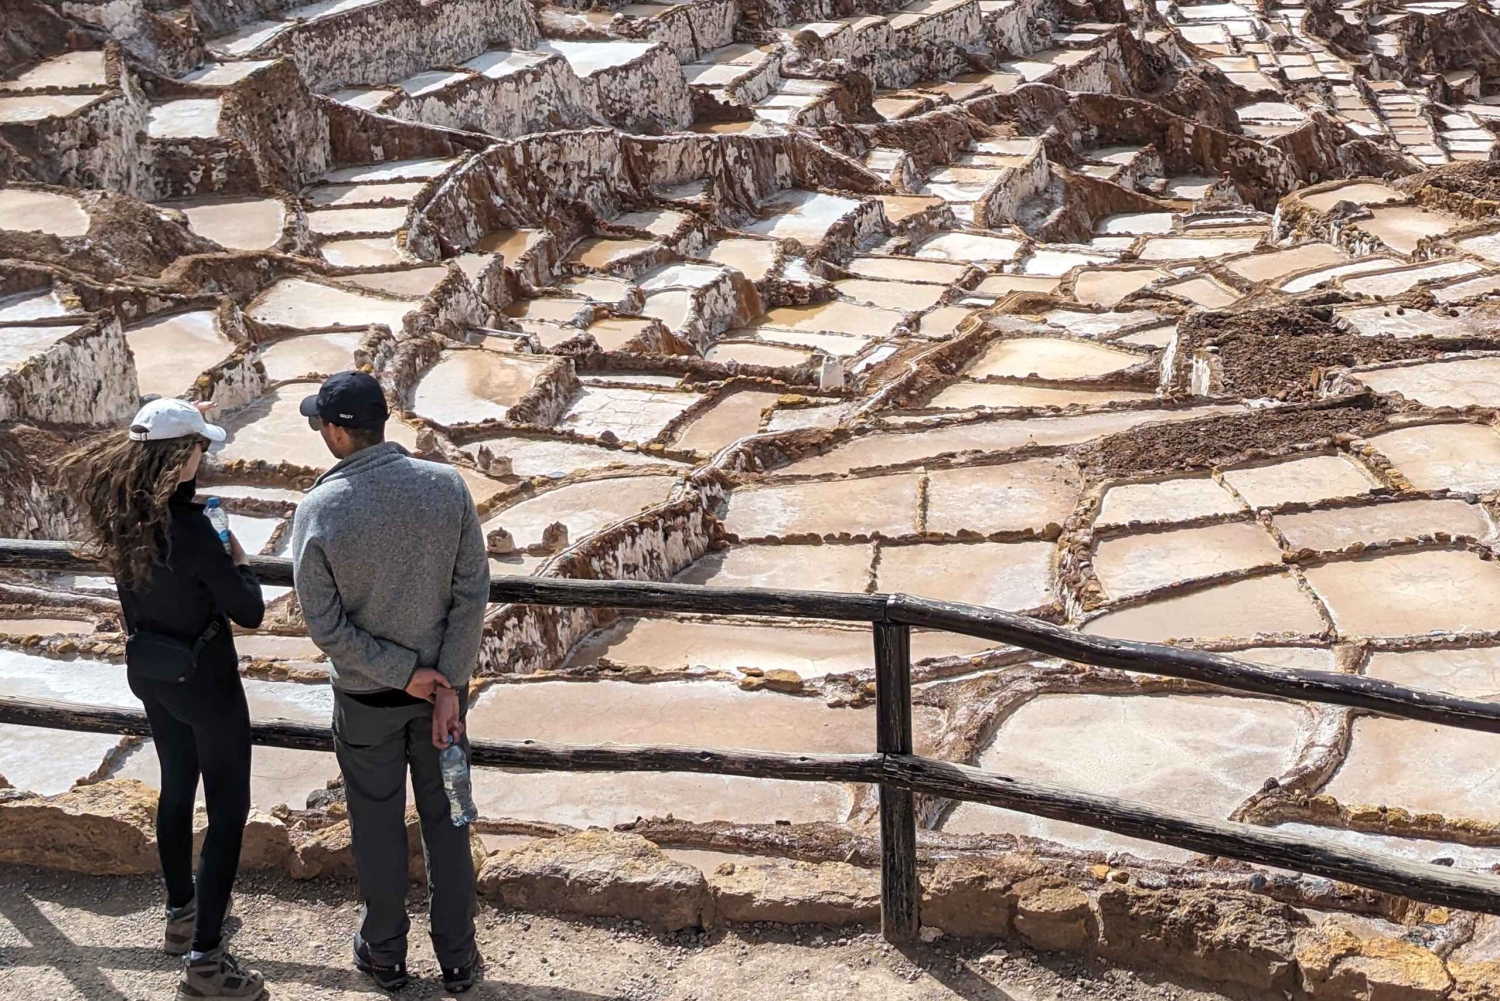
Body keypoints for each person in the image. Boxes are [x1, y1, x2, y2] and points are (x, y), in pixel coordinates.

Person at [289, 371, 490, 994]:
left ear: (336, 431)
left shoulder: (319, 508)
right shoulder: (445, 486)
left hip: (366, 701)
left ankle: (384, 954)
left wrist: (405, 676)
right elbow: (471, 592)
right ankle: (458, 957)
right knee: (450, 819)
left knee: (376, 827)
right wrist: (443, 685)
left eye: (320, 424)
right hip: (445, 705)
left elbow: (324, 625)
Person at [61, 398, 266, 1001]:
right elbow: (248, 611)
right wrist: (239, 558)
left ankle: (181, 913)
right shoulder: (197, 529)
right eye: (200, 446)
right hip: (206, 683)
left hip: (151, 674)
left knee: (178, 784)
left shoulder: (121, 513)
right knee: (228, 811)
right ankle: (206, 963)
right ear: (180, 456)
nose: (206, 456)